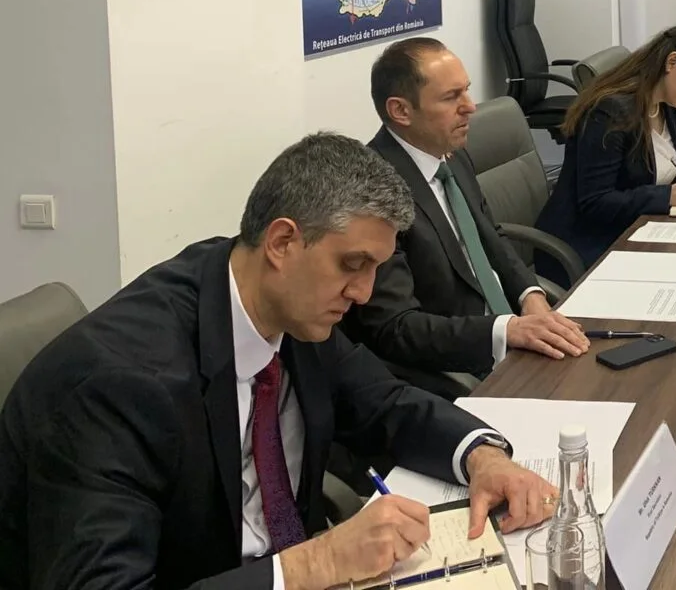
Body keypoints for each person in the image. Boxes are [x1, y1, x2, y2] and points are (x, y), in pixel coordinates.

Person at [0, 133, 557, 590]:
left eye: (375, 269)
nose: (364, 292)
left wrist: (483, 456)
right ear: (282, 242)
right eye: (353, 265)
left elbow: (384, 403)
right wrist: (314, 563)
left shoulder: (289, 306)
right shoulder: (119, 384)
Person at [349, 38, 589, 391]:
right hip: (461, 362)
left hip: (511, 332)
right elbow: (395, 328)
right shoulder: (372, 189)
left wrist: (530, 296)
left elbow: (491, 237)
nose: (470, 107)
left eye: (467, 90)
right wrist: (504, 331)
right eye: (451, 97)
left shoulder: (451, 154)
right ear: (401, 111)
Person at [535, 24, 676, 282]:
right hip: (584, 245)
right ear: (672, 62)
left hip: (633, 227)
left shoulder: (665, 104)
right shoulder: (609, 113)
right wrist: (669, 195)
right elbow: (596, 202)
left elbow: (666, 160)